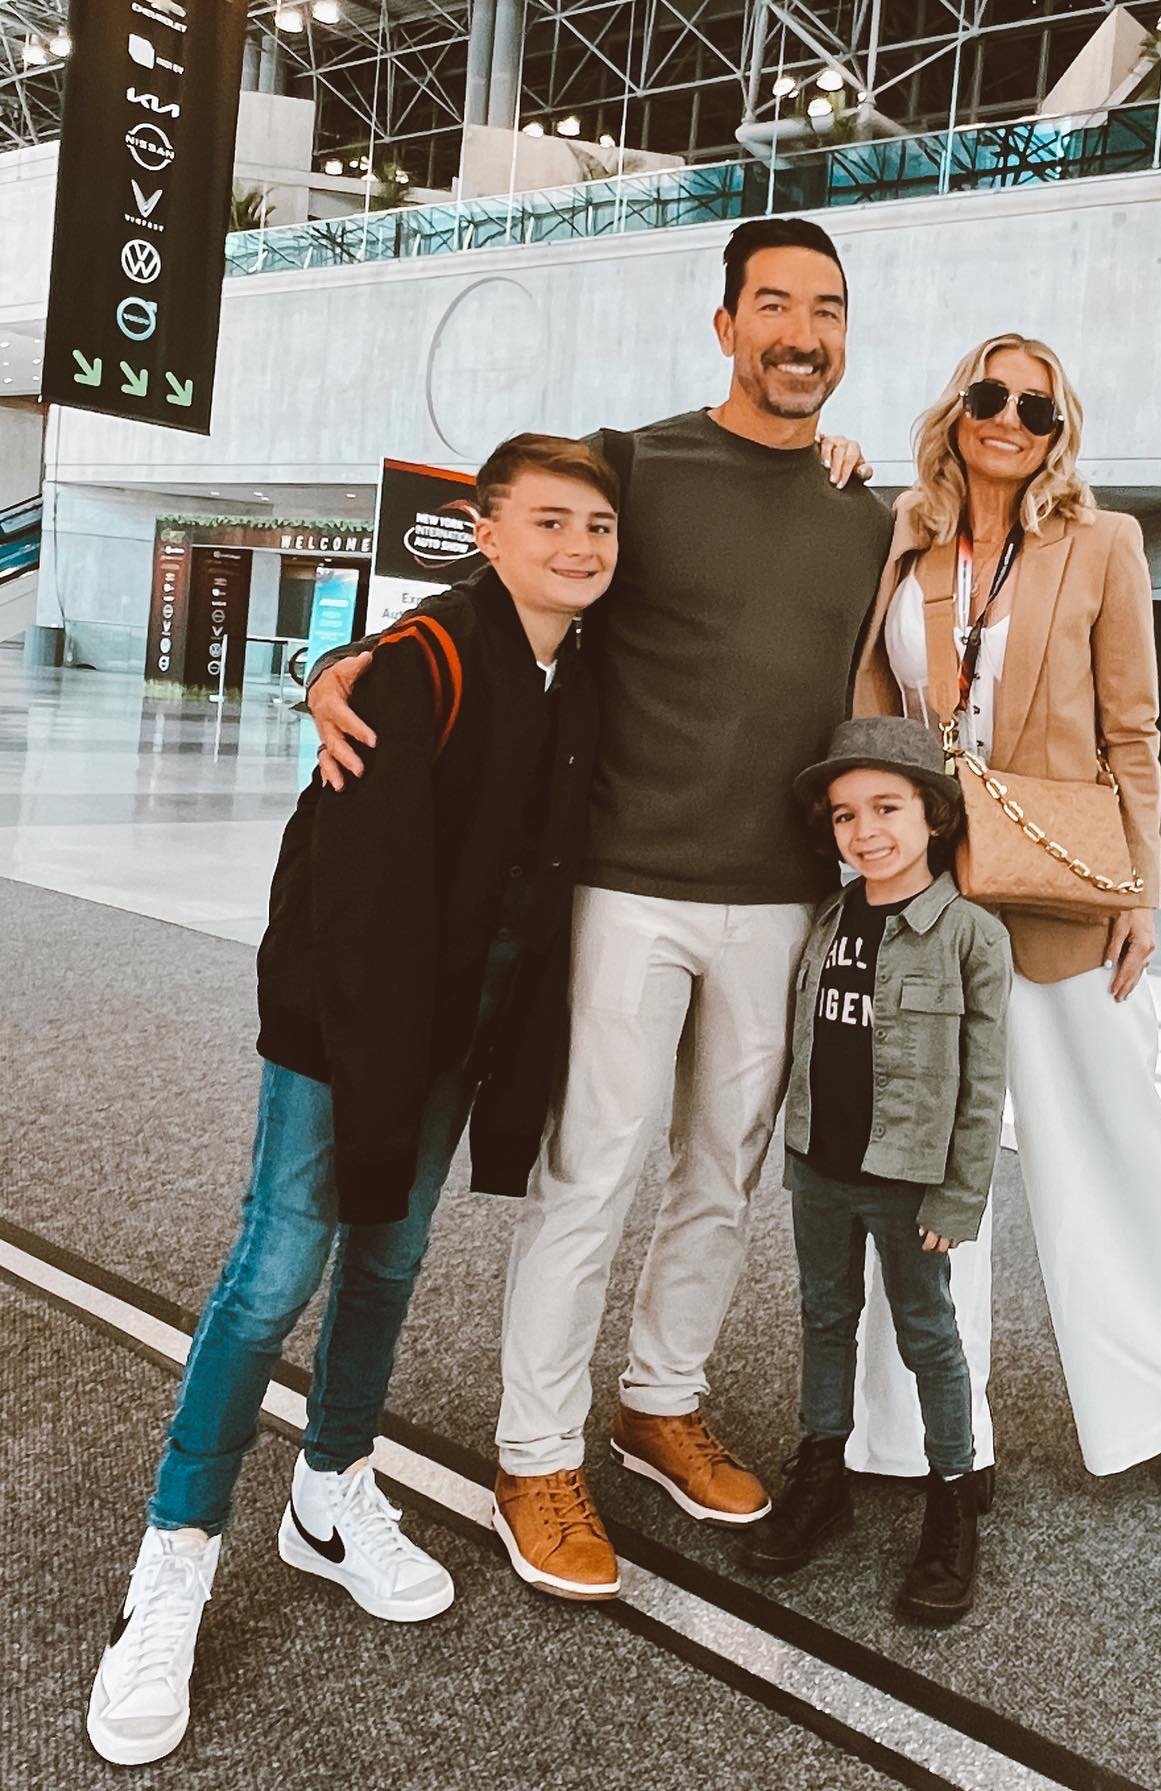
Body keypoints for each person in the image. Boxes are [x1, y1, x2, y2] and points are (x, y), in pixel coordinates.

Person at [305, 218, 894, 1601]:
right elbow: (507, 573)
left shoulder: (865, 507)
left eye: (826, 309)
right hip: (630, 886)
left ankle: (658, 1400)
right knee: (596, 1170)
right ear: (725, 323)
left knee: (721, 1176)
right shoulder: (635, 462)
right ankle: (535, 1453)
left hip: (785, 899)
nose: (800, 332)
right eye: (773, 305)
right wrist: (353, 657)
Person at [86, 435, 618, 1767]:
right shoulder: (427, 658)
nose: (581, 545)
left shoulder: (579, 672)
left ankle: (329, 1490)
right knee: (273, 1273)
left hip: (449, 1032)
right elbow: (352, 895)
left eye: (600, 525)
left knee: (390, 1260)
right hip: (342, 1024)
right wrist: (337, 671)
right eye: (549, 520)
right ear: (482, 532)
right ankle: (175, 1557)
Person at [849, 333, 1161, 1505]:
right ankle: (917, 1429)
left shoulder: (1102, 543)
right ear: (956, 406)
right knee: (918, 1170)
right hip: (928, 898)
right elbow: (877, 703)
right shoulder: (903, 537)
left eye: (1036, 407)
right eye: (989, 395)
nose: (1009, 418)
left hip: (1061, 894)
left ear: (1061, 431)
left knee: (1107, 1152)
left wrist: (1139, 896)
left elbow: (1133, 736)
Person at [742, 717, 1010, 1624]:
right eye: (846, 815)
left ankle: (953, 1496)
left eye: (887, 808)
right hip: (819, 1164)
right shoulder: (829, 918)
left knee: (927, 1332)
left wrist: (960, 1192)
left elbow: (983, 1085)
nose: (866, 832)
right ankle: (822, 1471)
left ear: (933, 816)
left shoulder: (970, 935)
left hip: (909, 1180)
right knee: (825, 1317)